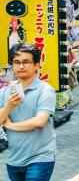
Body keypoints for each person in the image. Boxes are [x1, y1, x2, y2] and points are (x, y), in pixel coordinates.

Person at [0, 43, 56, 181]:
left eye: (26, 62)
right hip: (13, 159)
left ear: (36, 65)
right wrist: (9, 106)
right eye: (16, 62)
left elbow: (39, 122)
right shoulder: (5, 92)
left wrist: (10, 126)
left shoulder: (45, 90)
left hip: (40, 158)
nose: (21, 66)